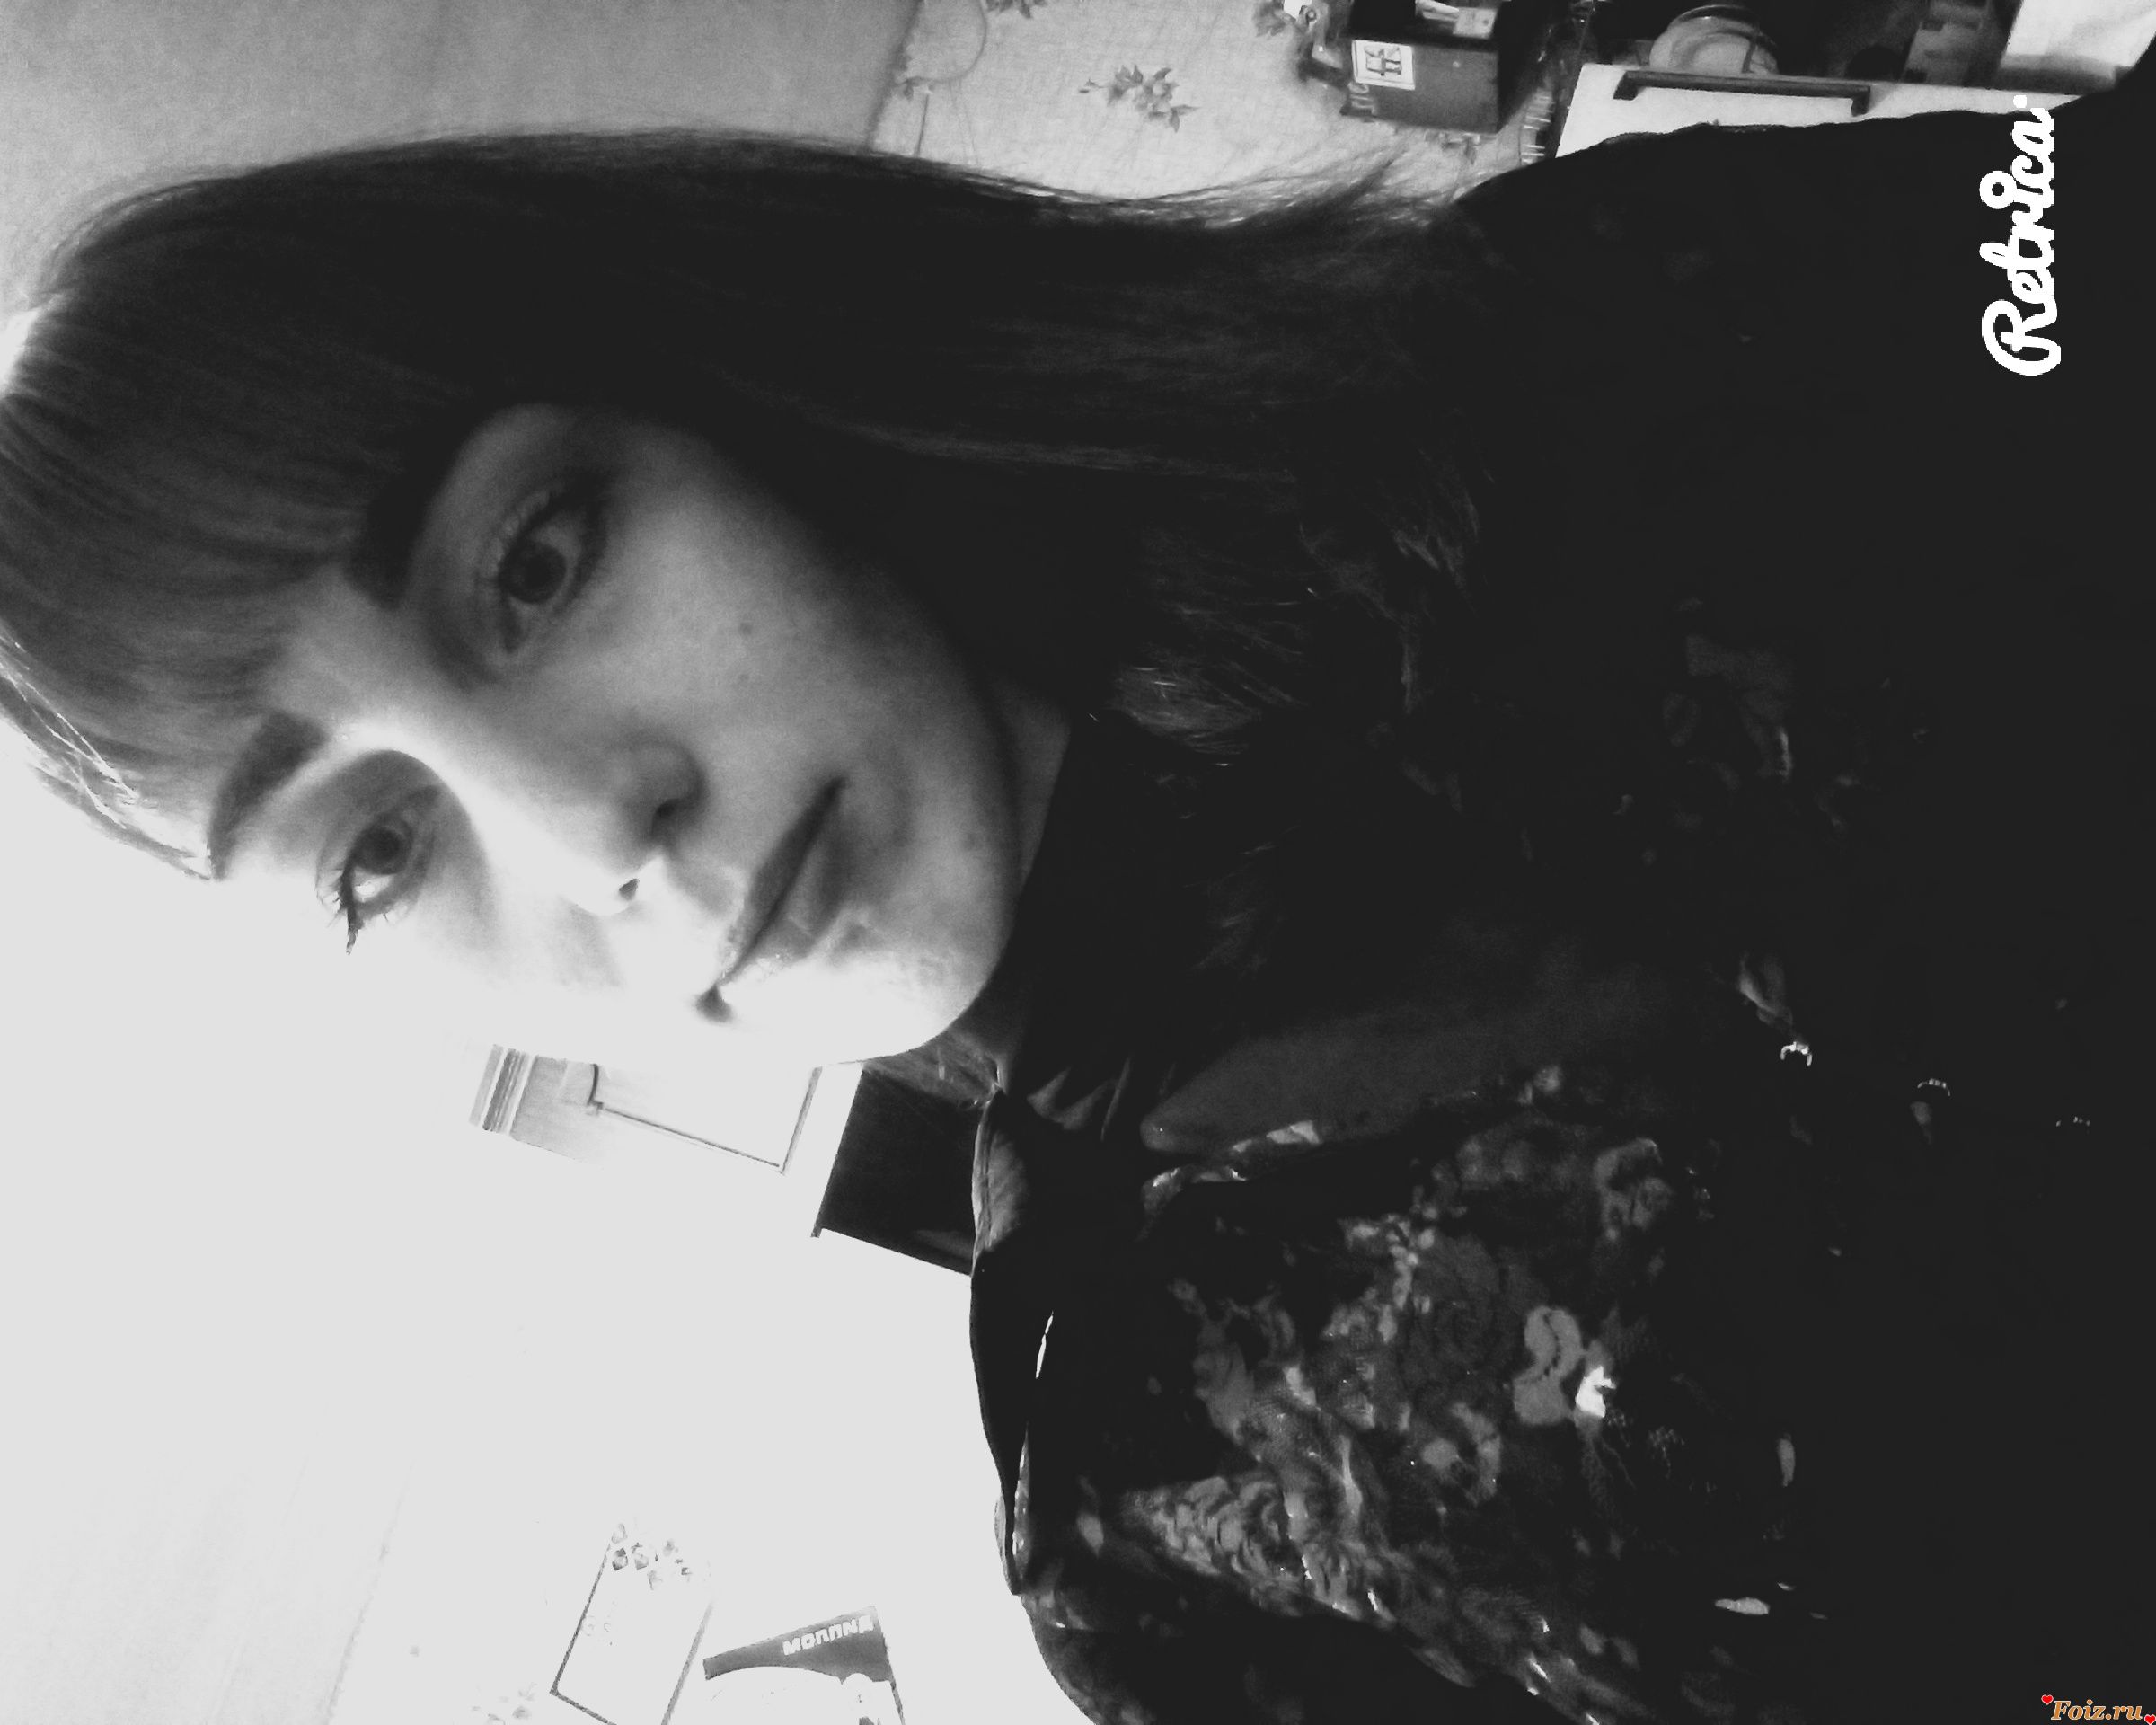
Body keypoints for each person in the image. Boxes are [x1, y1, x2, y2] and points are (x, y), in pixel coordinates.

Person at [2, 60, 2150, 1724]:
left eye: (536, 565)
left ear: (710, 393)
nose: (597, 834)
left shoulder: (1572, 337)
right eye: (380, 854)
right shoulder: (1138, 1488)